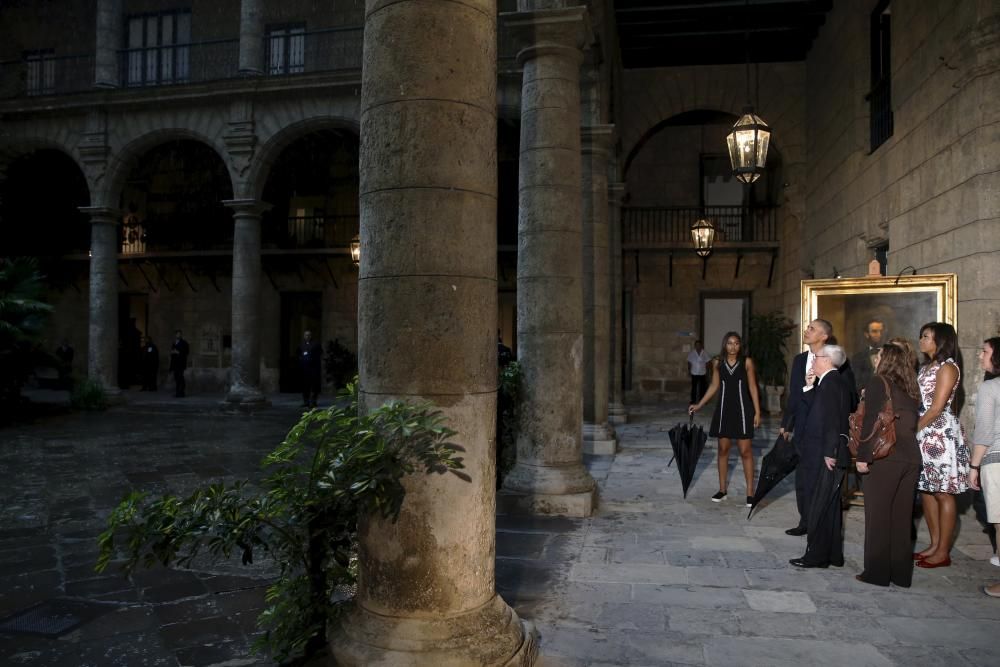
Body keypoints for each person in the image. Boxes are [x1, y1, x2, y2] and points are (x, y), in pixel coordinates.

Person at [854, 343, 922, 587]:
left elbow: (871, 421)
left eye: (880, 355)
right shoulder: (911, 387)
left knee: (878, 517)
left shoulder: (878, 382)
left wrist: (863, 457)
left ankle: (877, 573)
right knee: (902, 519)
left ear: (887, 359)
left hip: (886, 458)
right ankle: (901, 575)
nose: (877, 358)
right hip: (911, 458)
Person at [789, 344, 851, 568]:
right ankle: (833, 554)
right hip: (821, 451)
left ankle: (816, 556)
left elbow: (833, 420)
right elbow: (819, 411)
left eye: (817, 357)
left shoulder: (831, 383)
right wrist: (808, 387)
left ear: (827, 360)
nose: (813, 360)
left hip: (822, 453)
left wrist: (829, 452)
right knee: (829, 507)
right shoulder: (827, 382)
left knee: (819, 506)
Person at [913, 322, 969, 569]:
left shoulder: (948, 368)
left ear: (940, 340)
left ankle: (943, 551)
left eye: (926, 336)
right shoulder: (927, 367)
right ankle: (935, 545)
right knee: (926, 490)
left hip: (939, 433)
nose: (921, 340)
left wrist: (911, 430)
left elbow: (936, 408)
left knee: (943, 491)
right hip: (924, 431)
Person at [689, 331, 761, 507]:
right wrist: (699, 404)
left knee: (745, 451)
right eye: (729, 343)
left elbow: (752, 386)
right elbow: (714, 385)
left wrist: (757, 412)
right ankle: (722, 490)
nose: (733, 346)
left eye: (736, 343)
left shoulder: (747, 362)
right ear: (724, 345)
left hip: (744, 410)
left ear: (740, 345)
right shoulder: (717, 362)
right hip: (724, 410)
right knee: (723, 450)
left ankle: (750, 492)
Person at [780, 318, 835, 535]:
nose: (807, 330)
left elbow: (839, 394)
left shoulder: (834, 360)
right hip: (802, 426)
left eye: (812, 328)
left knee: (817, 478)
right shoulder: (799, 359)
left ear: (824, 336)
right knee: (802, 477)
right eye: (807, 327)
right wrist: (787, 423)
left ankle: (817, 522)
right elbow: (795, 393)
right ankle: (804, 521)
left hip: (822, 428)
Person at [970, 337, 1000, 595]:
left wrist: (974, 466)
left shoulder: (991, 388)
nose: (980, 356)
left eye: (985, 351)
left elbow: (985, 432)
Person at [851, 319, 885, 392]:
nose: (879, 335)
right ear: (867, 334)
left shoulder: (892, 355)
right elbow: (856, 383)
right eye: (874, 331)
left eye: (881, 331)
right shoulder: (858, 358)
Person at [298, 330, 323, 408]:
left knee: (314, 385)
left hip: (314, 368)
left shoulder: (316, 344)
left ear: (311, 336)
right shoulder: (301, 345)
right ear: (304, 336)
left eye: (309, 335)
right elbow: (299, 354)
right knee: (305, 385)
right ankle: (306, 401)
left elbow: (320, 353)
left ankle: (313, 402)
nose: (307, 336)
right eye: (306, 335)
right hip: (304, 369)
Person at [687, 339, 711, 404]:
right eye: (696, 345)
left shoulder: (704, 353)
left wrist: (708, 371)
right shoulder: (692, 353)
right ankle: (693, 400)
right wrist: (689, 370)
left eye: (699, 345)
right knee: (694, 388)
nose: (698, 346)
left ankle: (702, 400)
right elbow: (689, 362)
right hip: (694, 372)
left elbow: (708, 362)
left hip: (702, 373)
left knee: (703, 388)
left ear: (701, 346)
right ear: (695, 346)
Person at [169, 330, 190, 398]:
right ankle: (177, 392)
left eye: (179, 334)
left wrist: (179, 352)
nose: (178, 335)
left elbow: (186, 352)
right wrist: (172, 352)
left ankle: (181, 392)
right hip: (175, 363)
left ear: (181, 335)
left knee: (180, 377)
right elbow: (172, 352)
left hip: (181, 363)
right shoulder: (174, 343)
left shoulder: (184, 343)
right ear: (175, 335)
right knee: (176, 378)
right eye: (177, 334)